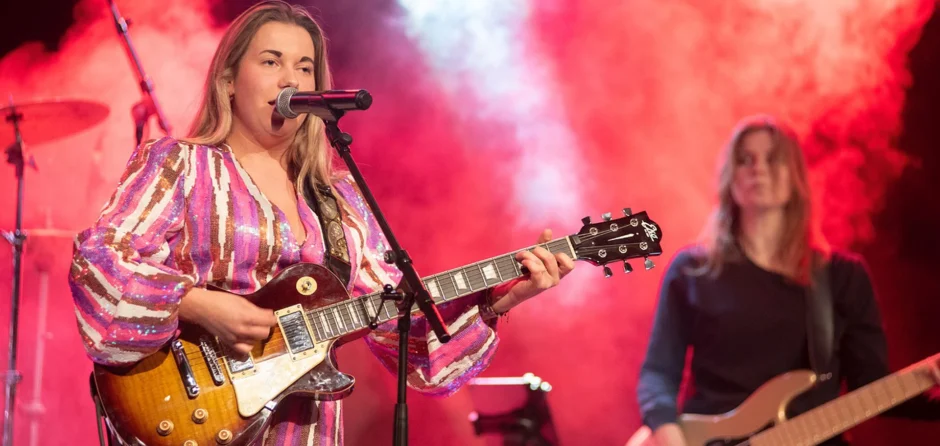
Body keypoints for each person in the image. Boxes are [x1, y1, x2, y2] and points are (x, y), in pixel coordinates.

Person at [68, 2, 574, 445]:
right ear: (229, 80)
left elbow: (406, 337)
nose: (291, 79)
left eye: (305, 67)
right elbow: (100, 261)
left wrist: (495, 299)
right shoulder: (181, 164)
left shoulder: (339, 201)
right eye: (272, 62)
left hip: (304, 430)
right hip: (186, 411)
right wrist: (198, 303)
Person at [633, 115, 940, 446]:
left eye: (773, 158)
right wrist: (666, 433)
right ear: (729, 179)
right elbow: (658, 373)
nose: (758, 169)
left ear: (796, 177)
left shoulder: (842, 276)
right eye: (745, 160)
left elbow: (871, 386)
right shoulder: (692, 270)